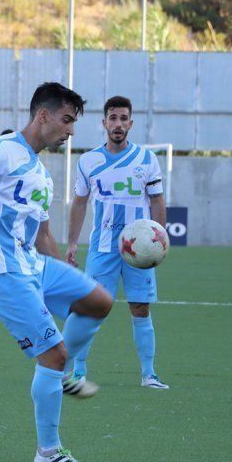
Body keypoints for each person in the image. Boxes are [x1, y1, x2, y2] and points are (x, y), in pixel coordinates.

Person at [0, 82, 113, 462]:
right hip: (2, 271)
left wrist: (64, 273)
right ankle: (48, 453)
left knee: (98, 300)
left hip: (34, 265)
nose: (70, 131)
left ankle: (62, 369)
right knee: (51, 354)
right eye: (67, 120)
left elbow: (43, 234)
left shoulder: (41, 173)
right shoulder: (1, 150)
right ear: (43, 115)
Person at [63, 95, 169, 389]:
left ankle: (149, 374)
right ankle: (78, 372)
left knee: (140, 308)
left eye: (123, 119)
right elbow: (80, 203)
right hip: (103, 247)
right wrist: (72, 243)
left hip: (140, 250)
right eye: (113, 118)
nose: (118, 124)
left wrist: (159, 237)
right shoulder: (89, 161)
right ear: (104, 123)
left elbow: (157, 200)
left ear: (130, 123)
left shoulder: (147, 159)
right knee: (91, 307)